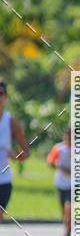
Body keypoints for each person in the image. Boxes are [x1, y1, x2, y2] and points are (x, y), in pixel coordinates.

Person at [0, 79, 30, 224]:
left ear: (5, 97)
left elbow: (25, 152)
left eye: (0, 94)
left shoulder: (10, 121)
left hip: (3, 180)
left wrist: (15, 155)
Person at [47, 126, 72, 236]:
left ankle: (68, 231)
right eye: (67, 135)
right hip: (61, 183)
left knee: (69, 208)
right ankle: (68, 230)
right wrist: (57, 165)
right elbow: (50, 162)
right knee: (63, 211)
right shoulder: (59, 148)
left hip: (74, 184)